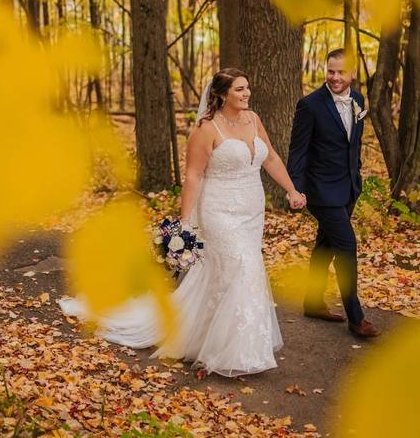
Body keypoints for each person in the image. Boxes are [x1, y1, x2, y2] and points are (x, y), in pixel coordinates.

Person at [60, 68, 305, 376]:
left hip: (252, 211)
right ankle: (231, 354)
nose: (246, 94)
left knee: (227, 276)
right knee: (244, 268)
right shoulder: (206, 129)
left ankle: (208, 337)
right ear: (221, 94)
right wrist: (185, 222)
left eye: (247, 88)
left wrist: (292, 190)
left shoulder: (253, 119)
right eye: (239, 89)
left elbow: (270, 158)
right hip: (218, 212)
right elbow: (193, 175)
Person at [287, 49, 379, 338]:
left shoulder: (359, 101)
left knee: (325, 246)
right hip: (321, 190)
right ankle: (356, 317)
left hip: (349, 187)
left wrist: (357, 175)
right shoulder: (310, 105)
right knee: (346, 247)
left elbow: (353, 144)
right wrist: (294, 189)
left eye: (341, 72)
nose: (335, 77)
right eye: (330, 71)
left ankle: (313, 302)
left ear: (352, 73)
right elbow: (297, 151)